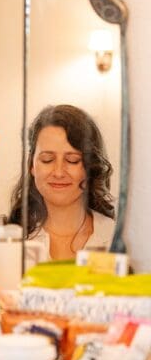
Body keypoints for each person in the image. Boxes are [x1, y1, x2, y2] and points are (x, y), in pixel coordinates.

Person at [8, 104, 115, 260]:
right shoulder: (4, 238)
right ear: (31, 165)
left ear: (90, 167)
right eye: (47, 159)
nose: (58, 172)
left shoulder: (114, 237)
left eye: (72, 160)